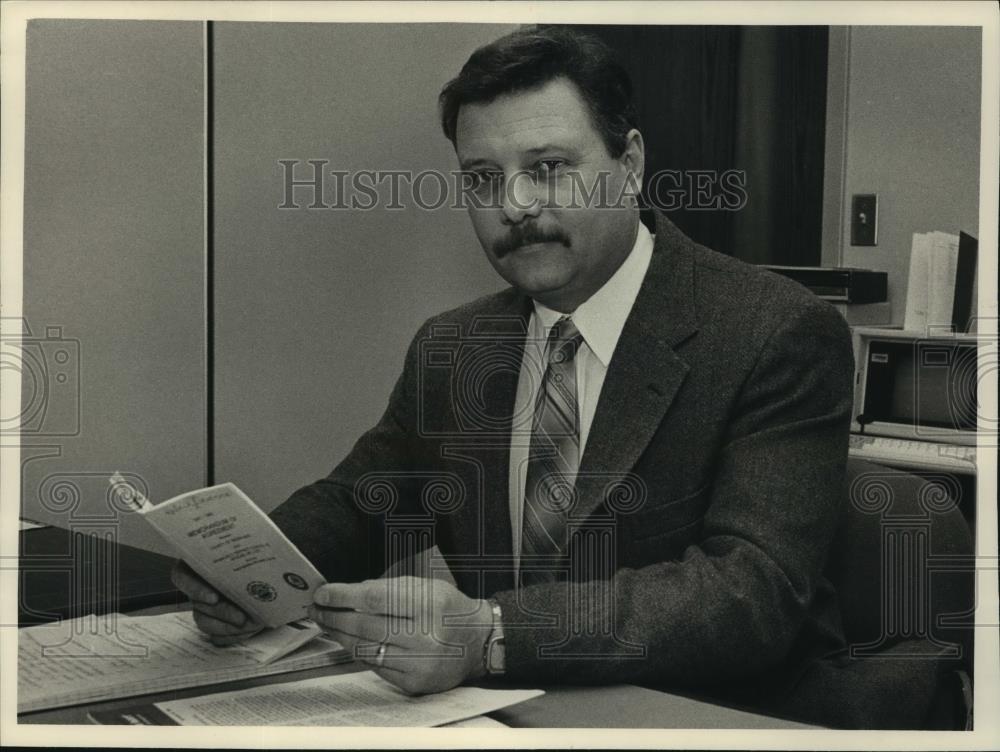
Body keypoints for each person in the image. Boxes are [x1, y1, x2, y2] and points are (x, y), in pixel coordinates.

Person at [172, 27, 856, 722]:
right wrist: (247, 573)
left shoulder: (774, 332)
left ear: (631, 164)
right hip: (509, 716)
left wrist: (491, 634)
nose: (515, 205)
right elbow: (363, 501)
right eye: (483, 178)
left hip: (715, 716)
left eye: (550, 166)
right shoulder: (456, 346)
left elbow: (750, 596)